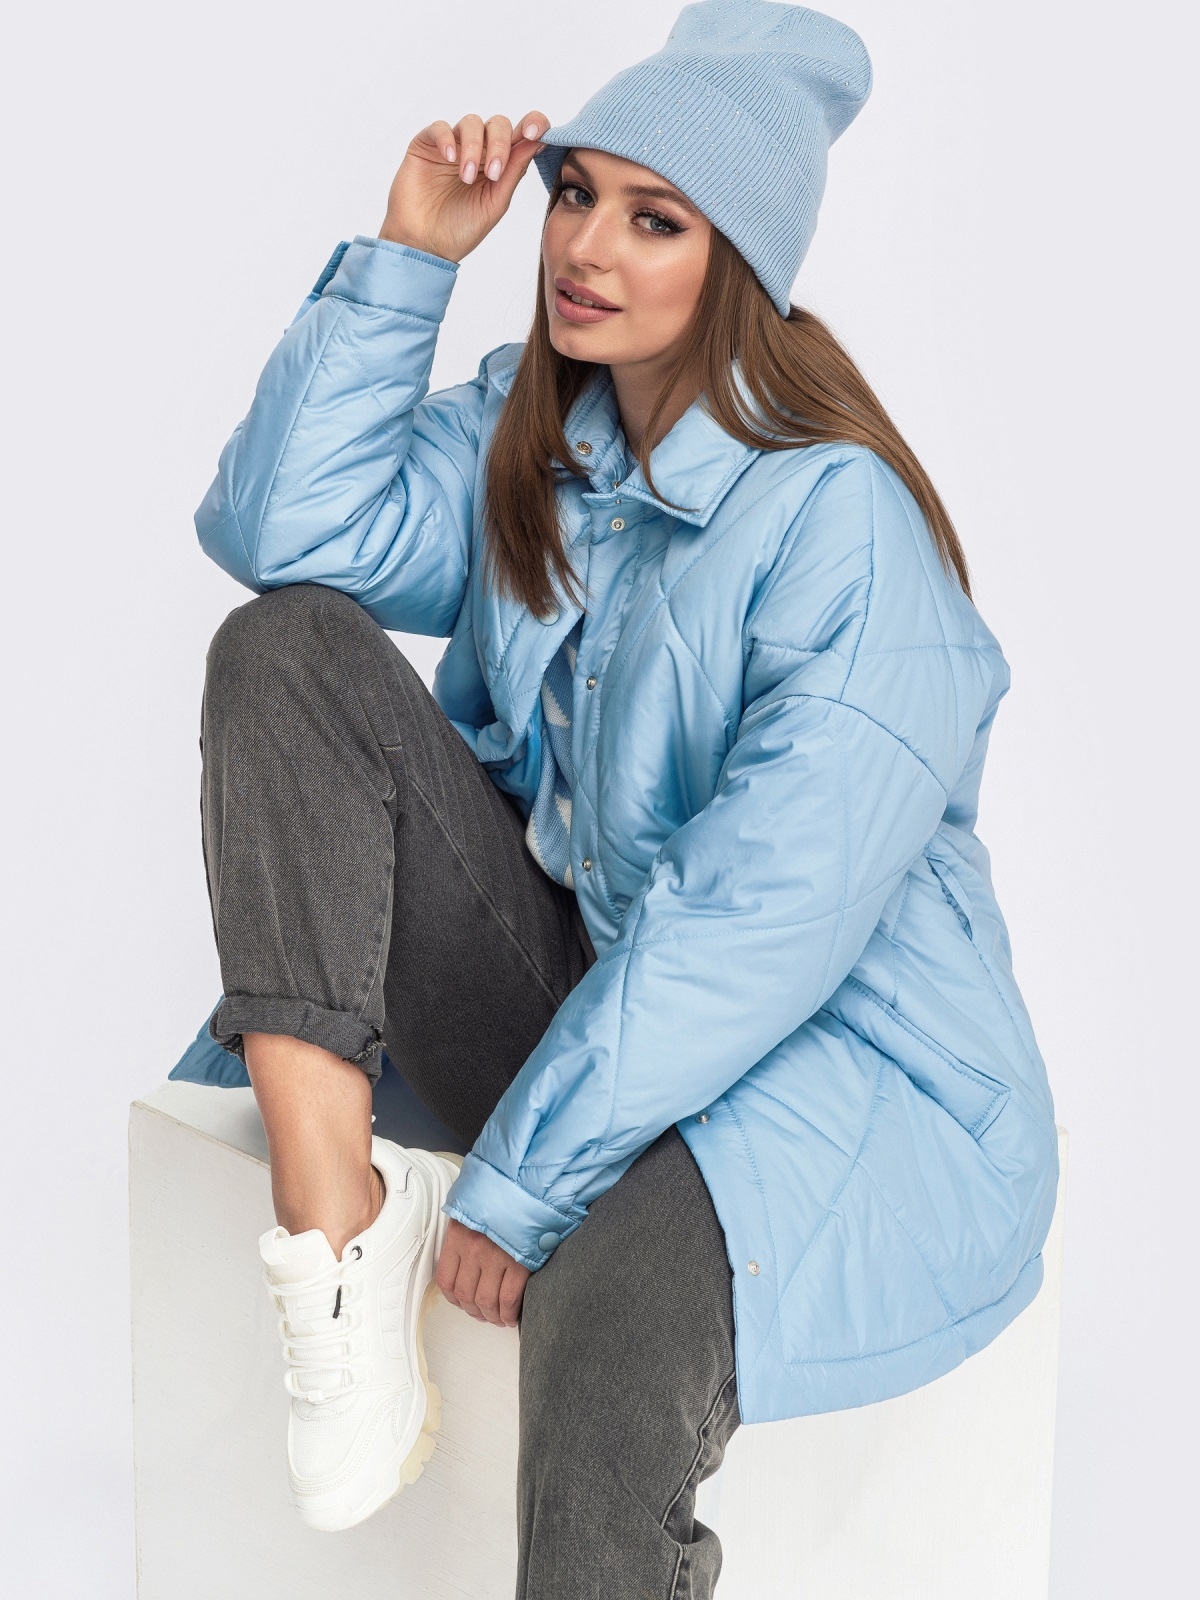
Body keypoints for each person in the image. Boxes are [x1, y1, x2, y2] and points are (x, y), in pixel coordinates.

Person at [178, 2, 1059, 1594]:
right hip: (598, 1003)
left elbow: (756, 931)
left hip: (831, 1081)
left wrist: (523, 1186)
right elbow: (281, 534)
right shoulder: (543, 441)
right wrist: (410, 257)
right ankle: (338, 1241)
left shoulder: (842, 528)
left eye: (656, 219)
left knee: (599, 1353)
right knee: (285, 651)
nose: (585, 245)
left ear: (740, 265)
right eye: (576, 192)